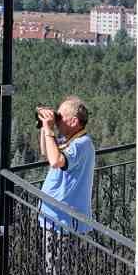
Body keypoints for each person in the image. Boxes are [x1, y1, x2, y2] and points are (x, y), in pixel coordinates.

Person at [36, 97, 95, 232]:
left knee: (58, 254)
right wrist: (44, 126)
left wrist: (50, 130)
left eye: (60, 117)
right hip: (54, 217)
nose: (57, 121)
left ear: (74, 121)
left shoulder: (82, 144)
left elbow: (56, 161)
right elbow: (47, 151)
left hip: (66, 222)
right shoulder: (68, 139)